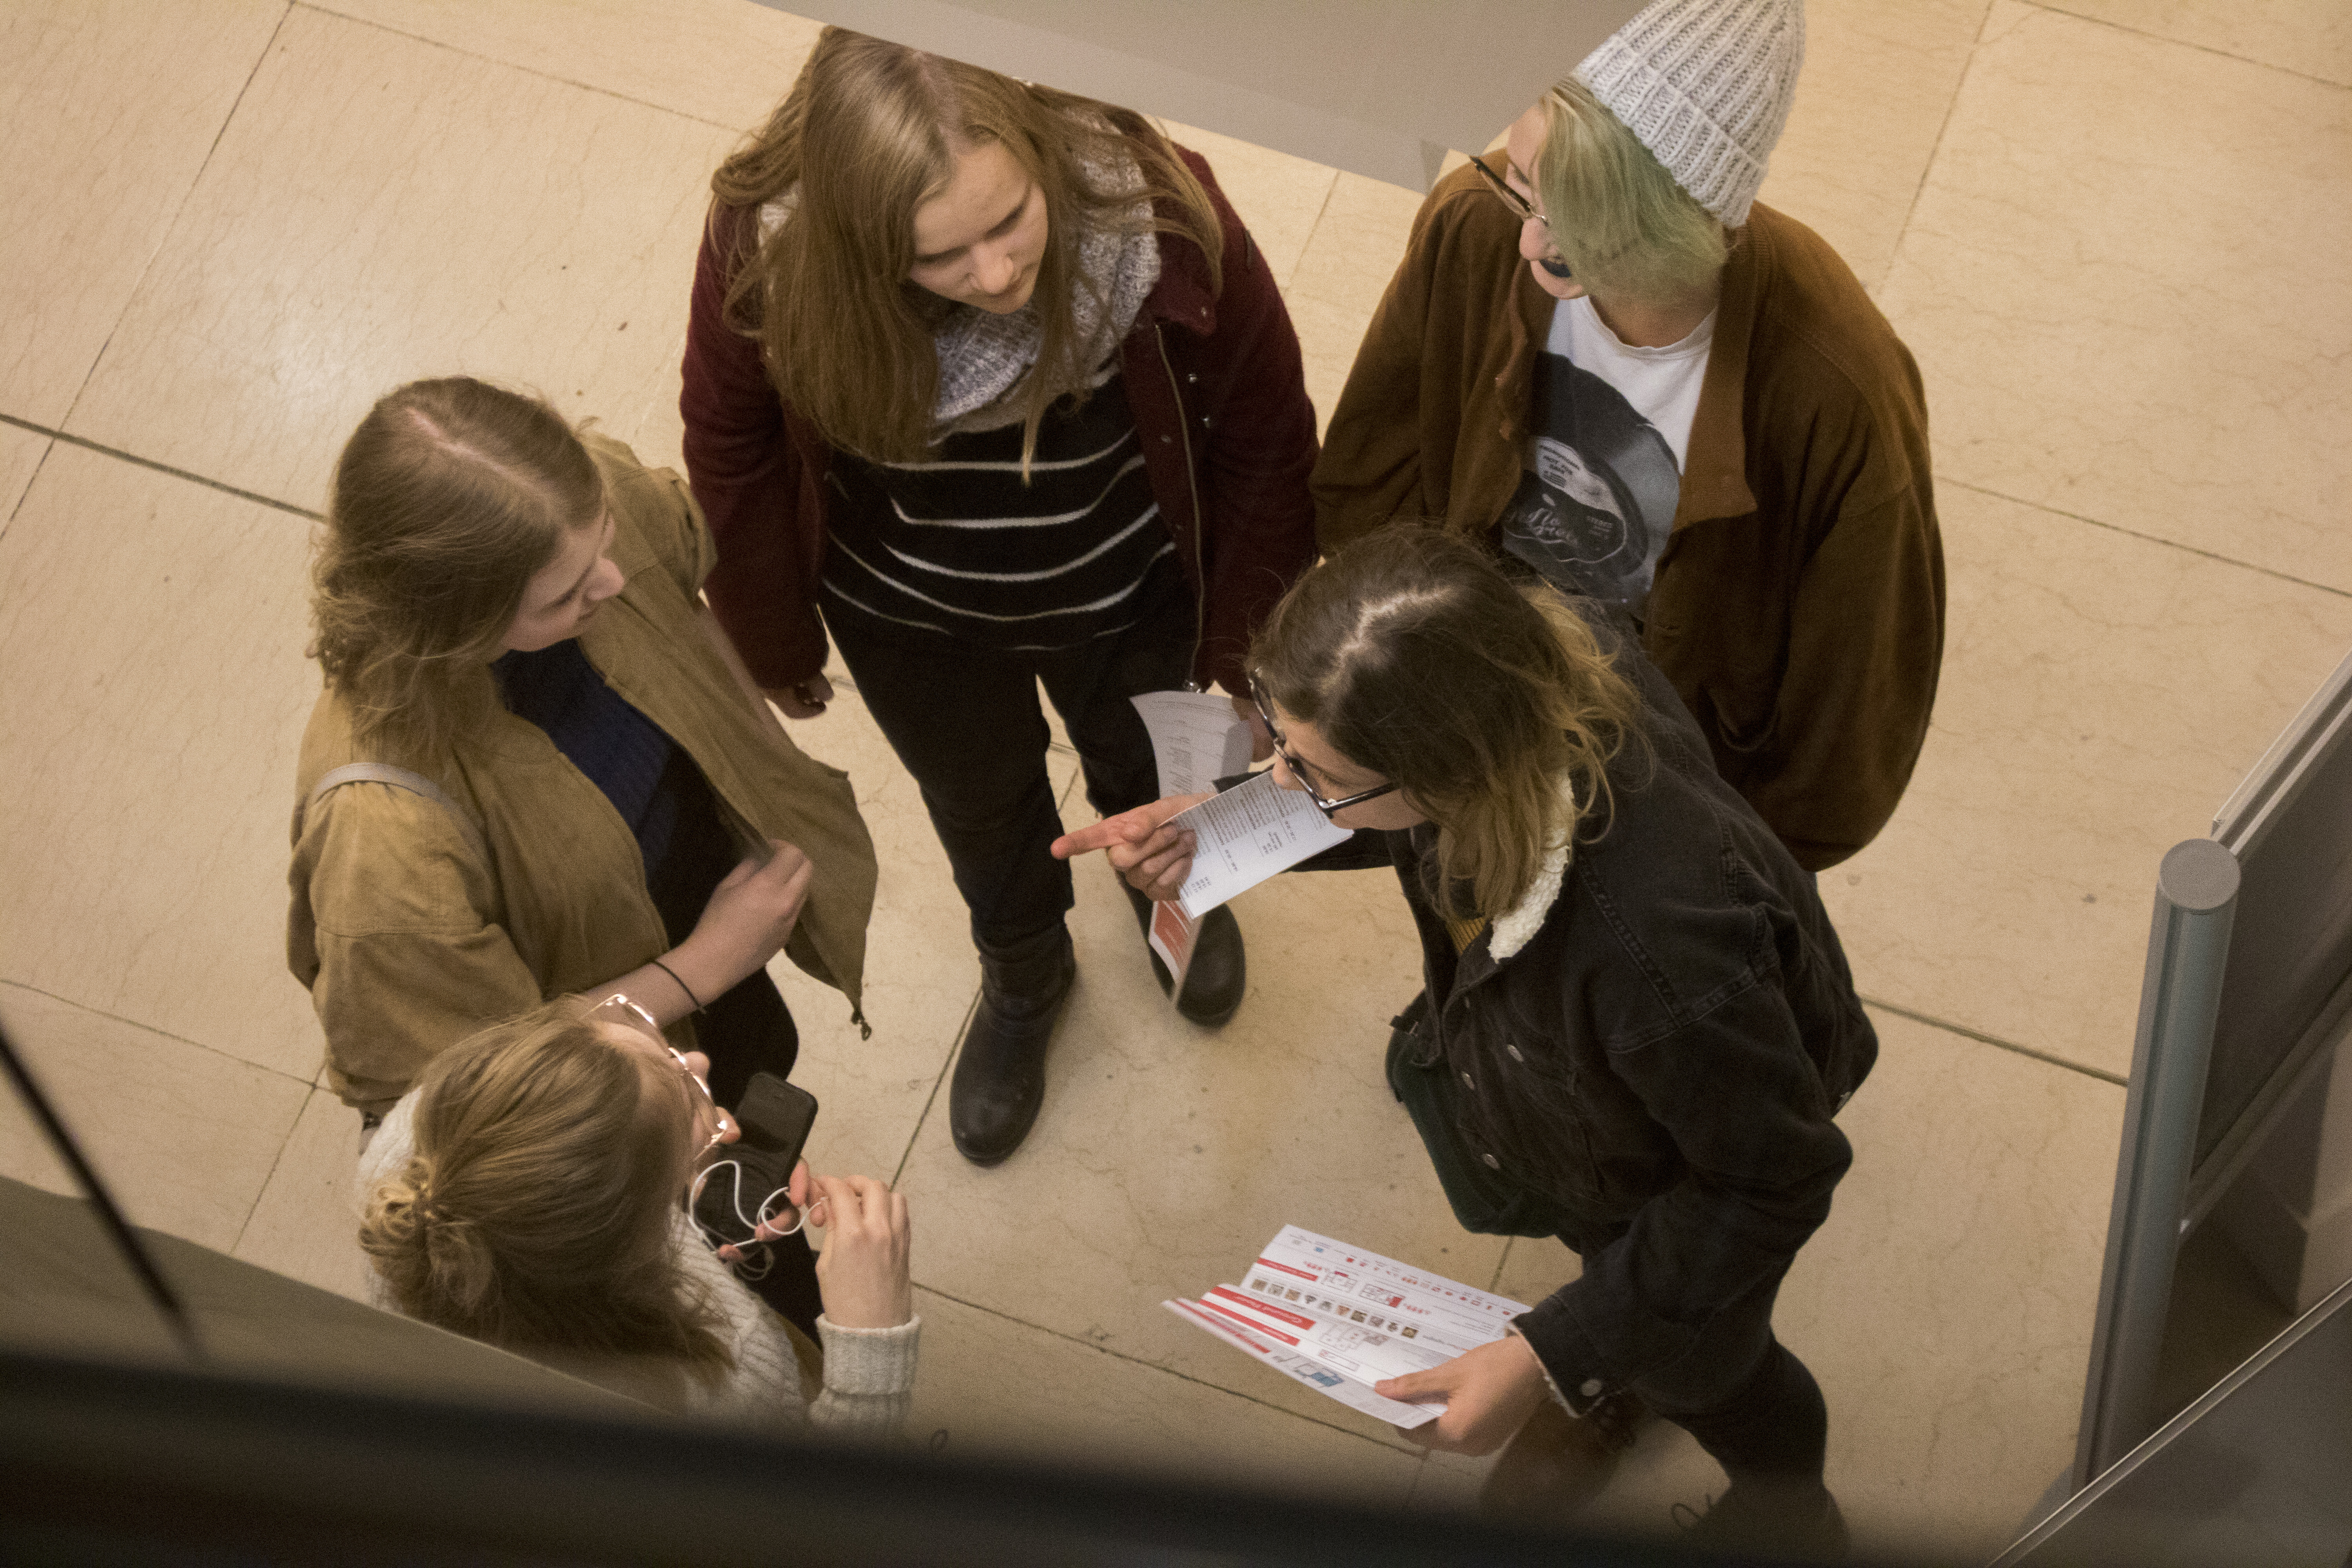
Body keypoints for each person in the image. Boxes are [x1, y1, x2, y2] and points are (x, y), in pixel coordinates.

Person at [1055, 530, 1874, 1555]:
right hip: (1596, 1096)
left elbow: (1772, 1181)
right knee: (1627, 1281)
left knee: (1709, 1362)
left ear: (1454, 770)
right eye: (1281, 746)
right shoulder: (1521, 668)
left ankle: (1788, 1510)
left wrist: (1549, 1350)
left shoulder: (1660, 959)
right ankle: (1626, 1344)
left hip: (1672, 1152)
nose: (1282, 777)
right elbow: (1389, 810)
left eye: (1312, 772)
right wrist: (1218, 828)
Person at [681, 27, 1319, 1166]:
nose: (993, 277)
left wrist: (1249, 639)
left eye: (1010, 221)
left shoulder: (1151, 209)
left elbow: (1268, 423)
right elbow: (731, 445)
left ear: (1039, 154)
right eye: (937, 257)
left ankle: (1174, 895)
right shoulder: (768, 251)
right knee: (981, 809)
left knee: (1148, 771)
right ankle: (1025, 968)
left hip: (1131, 589)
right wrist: (770, 632)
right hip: (914, 616)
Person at [289, 376, 876, 1336]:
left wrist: (761, 757)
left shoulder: (573, 508)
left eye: (602, 541)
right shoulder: (382, 842)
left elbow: (682, 601)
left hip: (678, 905)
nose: (610, 581)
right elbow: (478, 1091)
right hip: (598, 1071)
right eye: (564, 595)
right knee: (705, 1261)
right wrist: (705, 964)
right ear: (456, 625)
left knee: (752, 1076)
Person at [1312, 0, 1942, 873]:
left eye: (1570, 223)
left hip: (1666, 802)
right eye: (1522, 185)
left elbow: (1848, 728)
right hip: (1474, 721)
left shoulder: (1839, 394)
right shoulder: (1478, 225)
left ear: (1666, 220)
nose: (1529, 238)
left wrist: (1714, 869)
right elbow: (1369, 481)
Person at [358, 996, 918, 1430]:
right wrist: (871, 1353)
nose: (696, 1058)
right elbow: (804, 1523)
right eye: (687, 1085)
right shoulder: (719, 1385)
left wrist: (683, 1182)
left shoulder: (409, 1144)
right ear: (639, 1244)